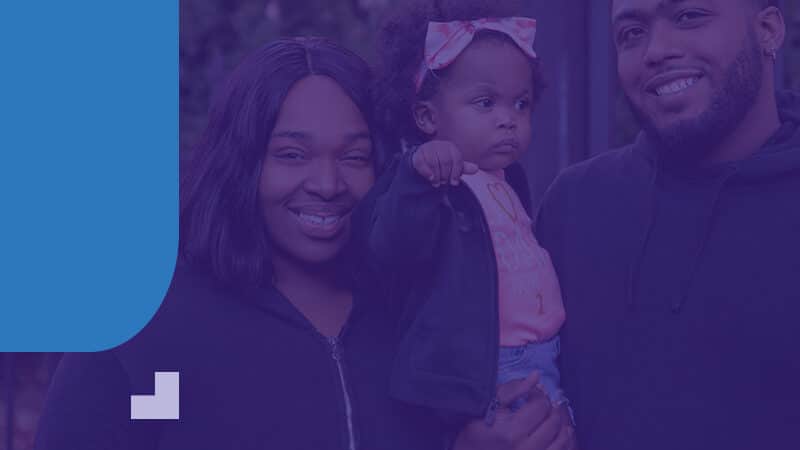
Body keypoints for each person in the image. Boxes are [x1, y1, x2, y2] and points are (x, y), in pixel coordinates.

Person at [34, 37, 559, 450]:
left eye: (354, 157)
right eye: (290, 155)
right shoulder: (149, 331)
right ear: (241, 163)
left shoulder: (421, 313)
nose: (327, 184)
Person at [535, 1, 800, 449]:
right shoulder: (573, 205)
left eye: (688, 16)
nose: (655, 50)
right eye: (632, 33)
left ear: (769, 29)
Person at [366, 0, 575, 448]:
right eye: (485, 103)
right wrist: (417, 176)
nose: (508, 119)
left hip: (545, 355)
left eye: (521, 103)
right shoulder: (432, 180)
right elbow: (394, 250)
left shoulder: (507, 180)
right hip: (489, 369)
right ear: (427, 117)